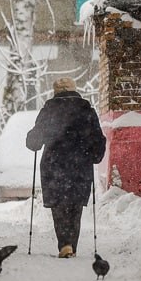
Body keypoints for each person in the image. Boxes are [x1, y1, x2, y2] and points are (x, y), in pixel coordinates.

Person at [26, 77, 106, 258]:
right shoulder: (86, 111)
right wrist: (94, 154)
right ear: (75, 90)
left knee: (59, 206)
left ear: (55, 92)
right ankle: (71, 245)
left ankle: (65, 244)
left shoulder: (49, 111)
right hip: (80, 166)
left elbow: (34, 141)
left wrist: (33, 138)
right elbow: (98, 139)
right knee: (75, 206)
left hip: (54, 166)